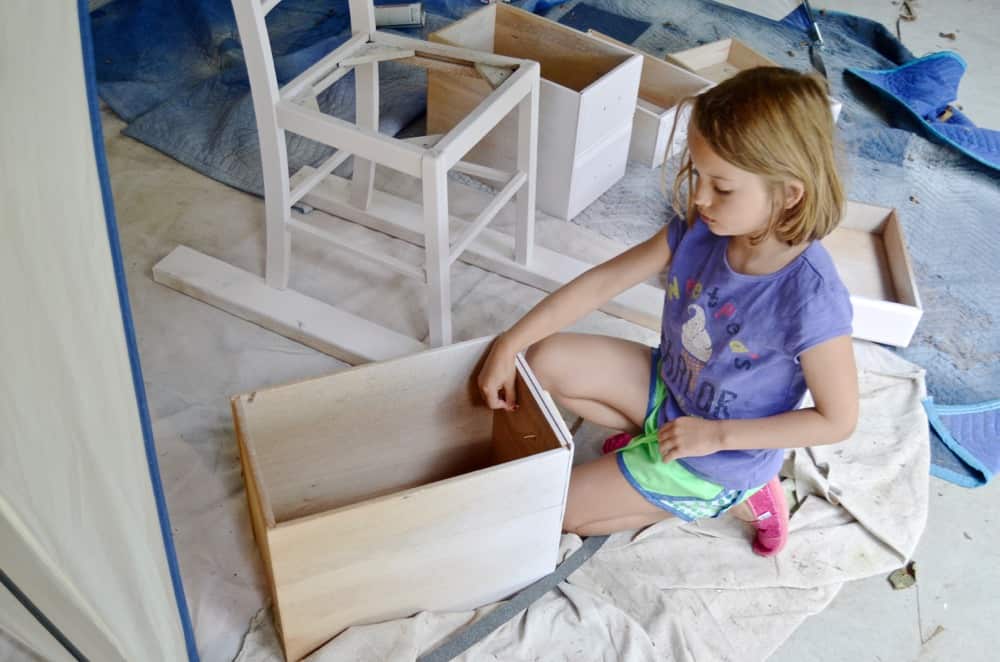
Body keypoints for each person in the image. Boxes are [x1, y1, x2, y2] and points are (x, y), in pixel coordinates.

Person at [477, 67, 859, 556]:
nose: (699, 198)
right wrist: (510, 343)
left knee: (561, 512)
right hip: (671, 389)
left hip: (723, 452)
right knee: (544, 360)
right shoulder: (703, 228)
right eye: (697, 174)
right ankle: (653, 445)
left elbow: (838, 420)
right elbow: (602, 281)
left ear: (789, 193)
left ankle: (742, 494)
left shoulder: (811, 298)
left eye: (721, 187)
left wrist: (717, 435)